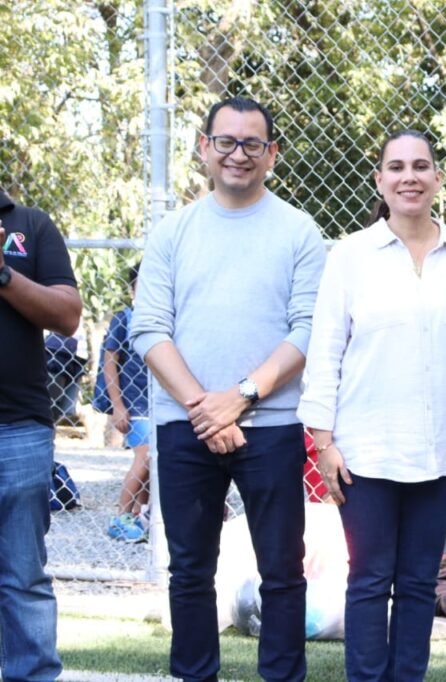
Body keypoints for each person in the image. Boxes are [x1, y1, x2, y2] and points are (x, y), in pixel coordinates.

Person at [130, 97, 326, 682]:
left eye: (252, 144)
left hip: (271, 425)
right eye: (226, 142)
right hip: (186, 424)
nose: (238, 155)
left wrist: (240, 397)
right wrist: (203, 408)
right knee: (189, 571)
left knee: (283, 571)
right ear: (203, 148)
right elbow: (149, 328)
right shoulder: (174, 231)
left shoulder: (299, 230)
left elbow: (309, 328)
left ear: (272, 154)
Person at [297, 130, 446, 682]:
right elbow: (324, 354)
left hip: (441, 454)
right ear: (380, 180)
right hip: (364, 452)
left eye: (420, 165)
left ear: (437, 177)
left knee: (416, 584)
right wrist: (324, 444)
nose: (409, 176)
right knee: (368, 579)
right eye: (396, 167)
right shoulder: (350, 257)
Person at [0, 189, 82, 681]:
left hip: (17, 428)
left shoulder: (30, 223)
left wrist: (4, 273)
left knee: (22, 576)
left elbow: (68, 315)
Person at [101, 264, 151, 543]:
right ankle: (121, 516)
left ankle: (141, 514)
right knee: (145, 457)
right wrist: (118, 405)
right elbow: (110, 363)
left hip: (158, 404)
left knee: (152, 465)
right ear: (131, 290)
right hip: (136, 405)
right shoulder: (125, 319)